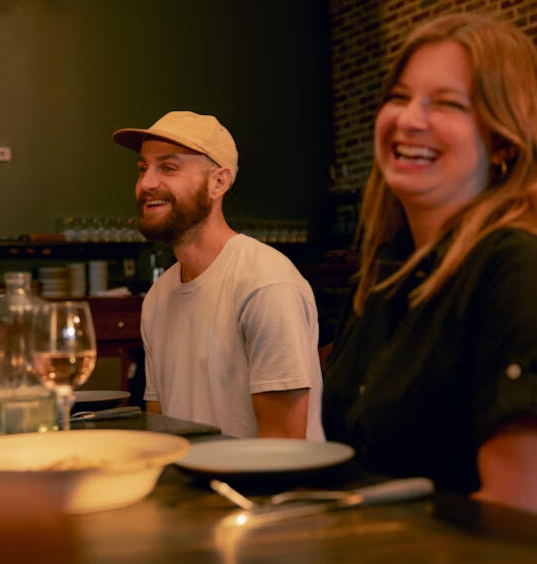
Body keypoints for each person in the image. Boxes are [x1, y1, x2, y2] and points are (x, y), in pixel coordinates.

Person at [322, 14, 537, 512]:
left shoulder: (514, 269)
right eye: (399, 97)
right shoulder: (383, 276)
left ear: (503, 141)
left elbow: (518, 515)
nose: (409, 120)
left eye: (447, 103)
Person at [113, 111, 324, 439]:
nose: (146, 184)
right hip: (186, 472)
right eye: (143, 169)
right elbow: (161, 428)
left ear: (219, 182)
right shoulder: (158, 296)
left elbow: (283, 447)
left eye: (168, 168)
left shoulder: (265, 282)